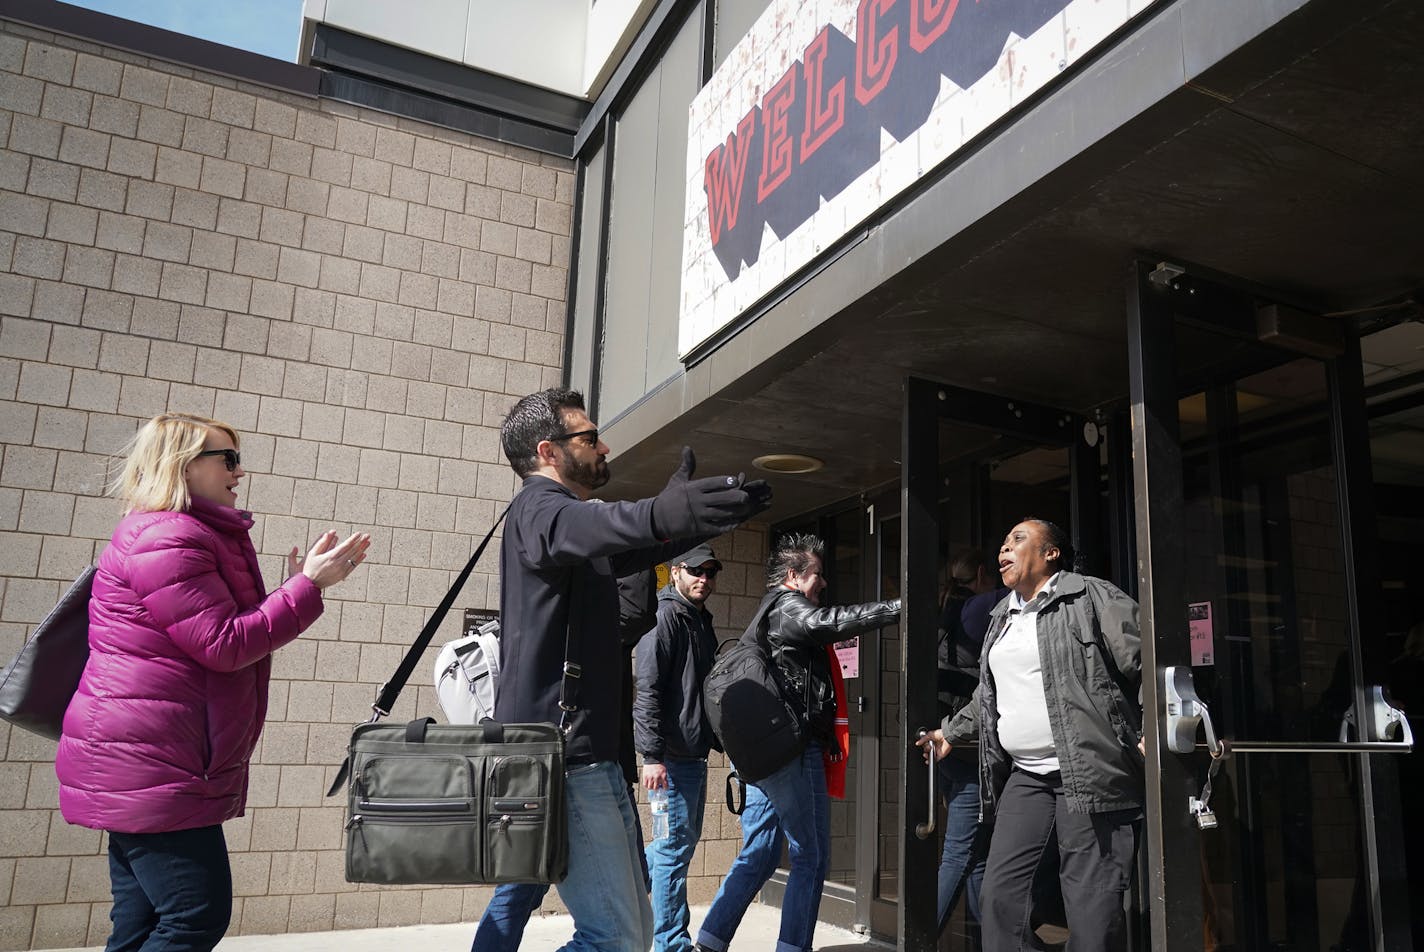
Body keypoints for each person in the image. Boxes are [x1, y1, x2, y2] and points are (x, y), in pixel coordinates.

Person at [54, 412, 369, 952]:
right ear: (182, 464)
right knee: (194, 918)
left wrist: (296, 586)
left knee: (141, 924)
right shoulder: (170, 538)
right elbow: (224, 645)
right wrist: (308, 587)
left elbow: (213, 636)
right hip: (156, 762)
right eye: (228, 458)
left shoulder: (180, 533)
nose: (239, 471)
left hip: (148, 757)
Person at [490, 387, 770, 952]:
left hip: (591, 756)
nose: (603, 445)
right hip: (566, 757)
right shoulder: (541, 509)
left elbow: (626, 547)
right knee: (616, 939)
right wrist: (667, 512)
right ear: (548, 451)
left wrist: (687, 523)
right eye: (589, 437)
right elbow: (607, 528)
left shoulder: (566, 525)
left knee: (632, 934)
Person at [918, 518, 1143, 952]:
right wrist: (951, 731)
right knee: (1000, 898)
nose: (1004, 549)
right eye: (1002, 543)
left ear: (1050, 554)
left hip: (1090, 772)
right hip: (1028, 776)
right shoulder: (1003, 615)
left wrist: (1154, 726)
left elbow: (1148, 661)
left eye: (1017, 540)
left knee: (1091, 915)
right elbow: (992, 690)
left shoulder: (1091, 595)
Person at [697, 533, 900, 952]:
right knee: (811, 855)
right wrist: (897, 607)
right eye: (817, 575)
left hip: (763, 754)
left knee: (761, 853)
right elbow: (827, 623)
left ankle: (710, 940)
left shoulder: (766, 611)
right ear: (793, 576)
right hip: (791, 752)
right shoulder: (789, 606)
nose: (823, 584)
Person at [471, 567, 657, 952]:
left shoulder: (557, 599)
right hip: (571, 764)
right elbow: (635, 613)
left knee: (626, 922)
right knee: (614, 931)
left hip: (575, 760)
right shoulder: (582, 587)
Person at [635, 543, 724, 952]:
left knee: (676, 846)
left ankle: (638, 910)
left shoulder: (698, 620)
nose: (703, 579)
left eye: (710, 572)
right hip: (669, 760)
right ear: (675, 573)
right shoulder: (666, 616)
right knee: (673, 849)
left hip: (692, 755)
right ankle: (670, 942)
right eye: (695, 571)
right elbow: (647, 688)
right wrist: (651, 756)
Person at [934, 548, 1005, 938]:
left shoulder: (945, 609)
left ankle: (991, 942)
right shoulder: (980, 607)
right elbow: (1034, 587)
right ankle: (920, 940)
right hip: (967, 745)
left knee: (977, 857)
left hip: (946, 746)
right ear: (982, 572)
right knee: (960, 854)